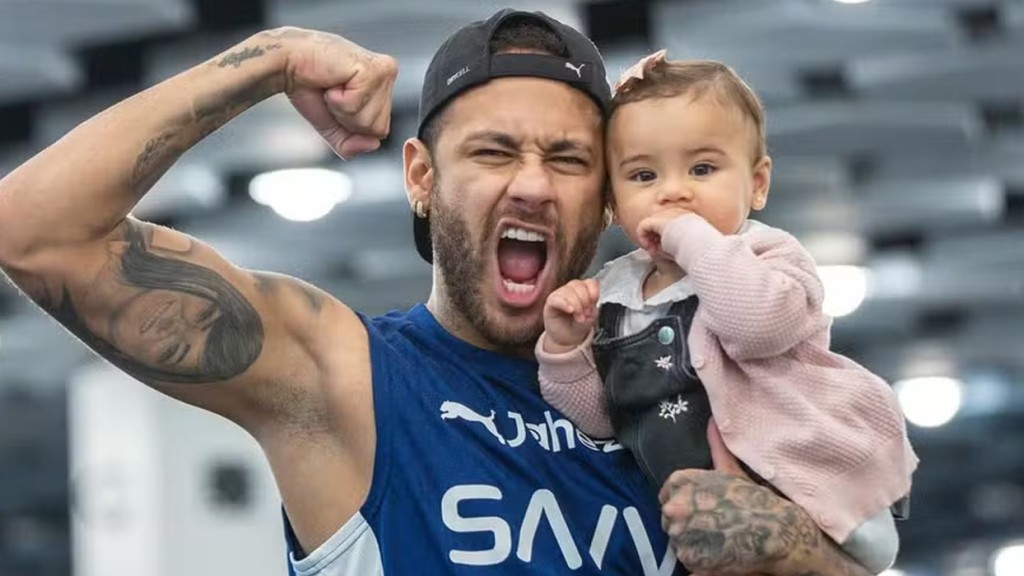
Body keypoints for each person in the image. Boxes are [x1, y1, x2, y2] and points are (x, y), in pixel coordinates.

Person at [0, 7, 878, 575]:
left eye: (568, 159)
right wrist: (269, 60)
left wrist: (800, 554)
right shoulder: (342, 378)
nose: (532, 185)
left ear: (611, 195)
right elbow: (35, 232)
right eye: (493, 153)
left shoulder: (715, 380)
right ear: (421, 176)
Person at [536, 51, 919, 574]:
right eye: (644, 175)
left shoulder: (765, 255)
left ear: (757, 184)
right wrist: (565, 349)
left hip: (803, 479)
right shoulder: (615, 292)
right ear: (615, 205)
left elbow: (757, 327)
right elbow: (602, 419)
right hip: (697, 517)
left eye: (702, 169)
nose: (674, 192)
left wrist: (690, 236)